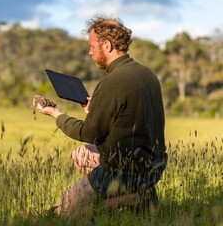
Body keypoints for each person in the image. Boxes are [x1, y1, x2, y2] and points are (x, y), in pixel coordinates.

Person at [37, 15, 168, 217]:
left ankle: (132, 198)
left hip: (124, 171)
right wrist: (93, 111)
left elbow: (88, 133)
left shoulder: (112, 82)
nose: (90, 52)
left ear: (106, 45)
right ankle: (134, 193)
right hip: (153, 166)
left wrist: (56, 114)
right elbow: (130, 119)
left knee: (61, 213)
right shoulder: (147, 73)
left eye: (92, 46)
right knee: (80, 155)